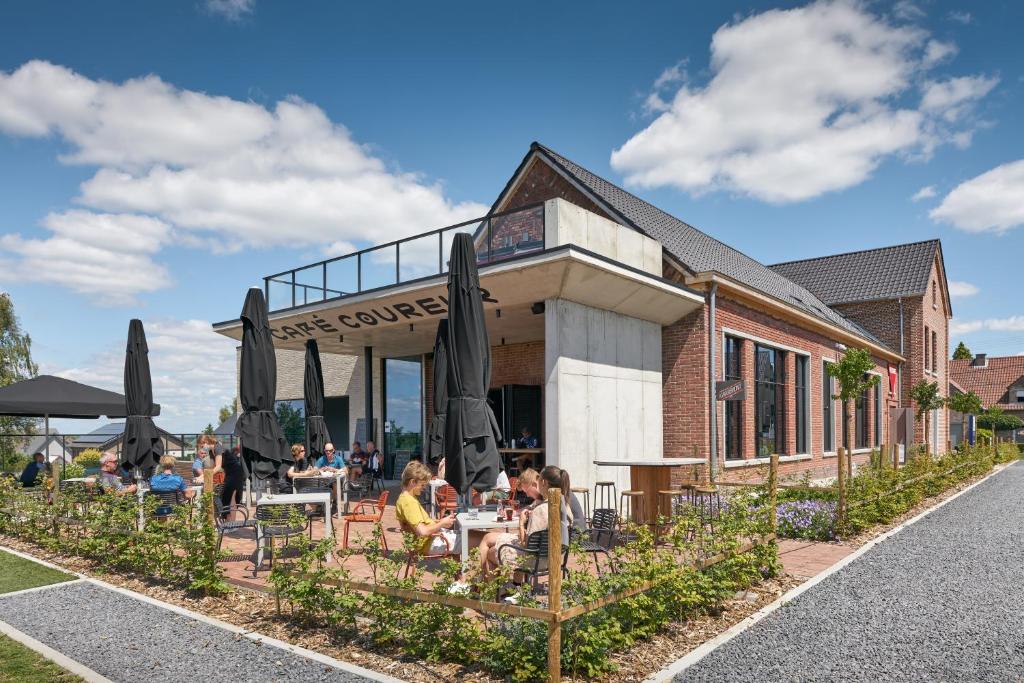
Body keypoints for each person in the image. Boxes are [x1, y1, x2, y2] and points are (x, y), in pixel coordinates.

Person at [480, 466, 571, 579]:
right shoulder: (564, 506)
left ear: (544, 482)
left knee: (490, 551)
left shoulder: (540, 510)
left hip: (535, 561)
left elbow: (526, 544)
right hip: (555, 557)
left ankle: (491, 586)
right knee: (490, 540)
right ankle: (514, 586)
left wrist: (521, 523)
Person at [478, 468, 541, 577]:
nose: (527, 495)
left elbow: (523, 541)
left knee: (488, 545)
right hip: (537, 548)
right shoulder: (543, 500)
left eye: (527, 491)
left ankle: (473, 581)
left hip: (531, 552)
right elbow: (531, 507)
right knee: (488, 543)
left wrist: (521, 523)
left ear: (534, 484)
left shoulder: (541, 507)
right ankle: (502, 588)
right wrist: (517, 512)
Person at [395, 460, 460, 556]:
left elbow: (421, 524)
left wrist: (440, 522)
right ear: (413, 482)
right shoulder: (408, 502)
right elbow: (423, 531)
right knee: (482, 540)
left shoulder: (406, 498)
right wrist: (442, 523)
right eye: (422, 485)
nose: (424, 487)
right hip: (430, 543)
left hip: (432, 540)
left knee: (481, 539)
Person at [219, 444, 246, 515]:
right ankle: (230, 521)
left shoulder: (225, 455)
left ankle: (228, 521)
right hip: (237, 478)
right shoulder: (232, 459)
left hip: (233, 478)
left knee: (228, 499)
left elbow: (220, 467)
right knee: (233, 498)